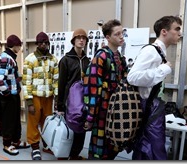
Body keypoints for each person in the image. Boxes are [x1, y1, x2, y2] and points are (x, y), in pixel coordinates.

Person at [127, 15, 182, 160]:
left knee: (148, 150)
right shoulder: (151, 51)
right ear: (164, 31)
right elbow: (132, 77)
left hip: (154, 108)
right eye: (176, 29)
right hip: (149, 109)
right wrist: (163, 70)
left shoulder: (159, 52)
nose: (180, 33)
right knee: (154, 151)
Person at [83, 19, 127, 160]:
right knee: (99, 148)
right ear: (108, 37)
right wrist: (90, 116)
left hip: (115, 111)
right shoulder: (101, 56)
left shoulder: (120, 58)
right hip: (102, 111)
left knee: (112, 146)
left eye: (122, 33)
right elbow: (92, 88)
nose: (121, 36)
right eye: (117, 34)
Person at [22, 32, 58, 160]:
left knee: (47, 122)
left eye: (46, 42)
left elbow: (56, 80)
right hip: (35, 97)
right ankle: (35, 147)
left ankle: (47, 144)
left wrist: (57, 98)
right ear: (37, 44)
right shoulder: (30, 59)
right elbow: (26, 82)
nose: (43, 44)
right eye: (41, 42)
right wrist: (29, 102)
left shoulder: (53, 59)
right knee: (33, 122)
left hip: (48, 97)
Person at [56, 28, 90, 160]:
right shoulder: (65, 60)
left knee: (81, 128)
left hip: (84, 100)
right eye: (78, 38)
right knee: (68, 129)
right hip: (69, 101)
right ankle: (64, 153)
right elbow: (61, 83)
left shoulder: (88, 61)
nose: (81, 40)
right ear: (73, 40)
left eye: (84, 38)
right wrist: (60, 106)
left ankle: (75, 154)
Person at [0, 34, 30, 156]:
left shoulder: (10, 57)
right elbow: (0, 79)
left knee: (15, 120)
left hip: (13, 94)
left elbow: (9, 75)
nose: (20, 49)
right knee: (9, 121)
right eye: (19, 46)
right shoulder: (5, 58)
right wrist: (7, 93)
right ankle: (7, 144)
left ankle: (15, 141)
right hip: (8, 96)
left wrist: (18, 78)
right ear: (15, 46)